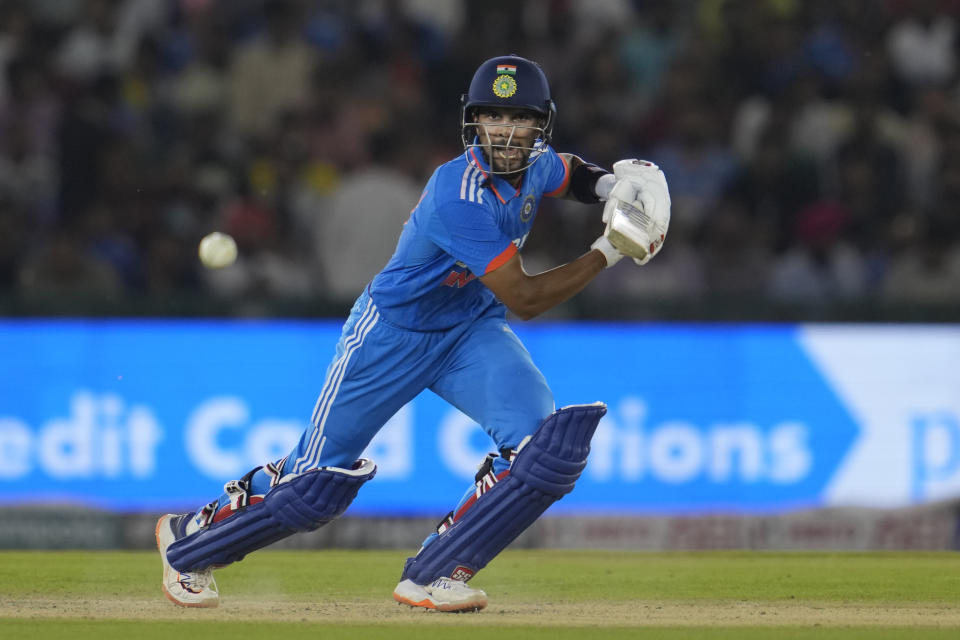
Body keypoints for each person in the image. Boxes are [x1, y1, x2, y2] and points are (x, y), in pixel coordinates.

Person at [155, 54, 670, 612]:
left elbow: (567, 173)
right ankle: (189, 541)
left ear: (539, 125)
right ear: (472, 122)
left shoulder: (536, 165)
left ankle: (435, 573)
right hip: (390, 336)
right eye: (491, 118)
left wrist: (613, 185)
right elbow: (524, 299)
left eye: (518, 118)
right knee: (312, 489)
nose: (503, 131)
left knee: (544, 451)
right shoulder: (459, 194)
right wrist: (608, 251)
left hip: (468, 330)